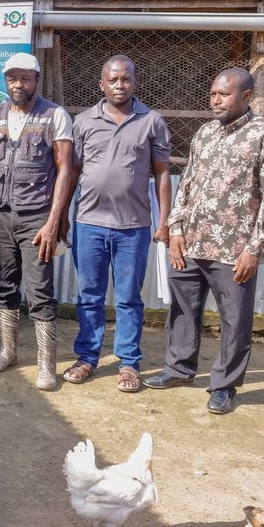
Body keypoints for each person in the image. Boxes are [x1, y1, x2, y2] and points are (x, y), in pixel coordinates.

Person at [143, 66, 264, 415]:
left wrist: (255, 248)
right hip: (191, 243)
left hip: (234, 249)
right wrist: (175, 229)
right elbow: (187, 185)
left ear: (247, 96)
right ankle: (179, 369)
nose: (215, 100)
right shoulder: (205, 133)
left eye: (223, 94)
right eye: (212, 94)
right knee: (182, 309)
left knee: (235, 319)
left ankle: (224, 385)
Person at [0, 52, 77, 390]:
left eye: (25, 78)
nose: (19, 84)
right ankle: (9, 351)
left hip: (36, 218)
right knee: (2, 284)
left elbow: (65, 171)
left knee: (39, 290)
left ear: (36, 80)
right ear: (7, 81)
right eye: (13, 78)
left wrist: (53, 221)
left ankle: (47, 365)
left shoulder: (54, 115)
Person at [65, 55, 172, 394]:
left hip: (133, 226)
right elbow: (72, 173)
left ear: (134, 83)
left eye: (126, 79)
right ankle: (87, 358)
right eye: (113, 80)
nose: (119, 85)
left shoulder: (151, 121)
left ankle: (128, 362)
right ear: (102, 84)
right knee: (89, 296)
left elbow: (162, 173)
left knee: (128, 298)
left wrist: (165, 220)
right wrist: (62, 218)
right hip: (88, 223)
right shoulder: (83, 121)